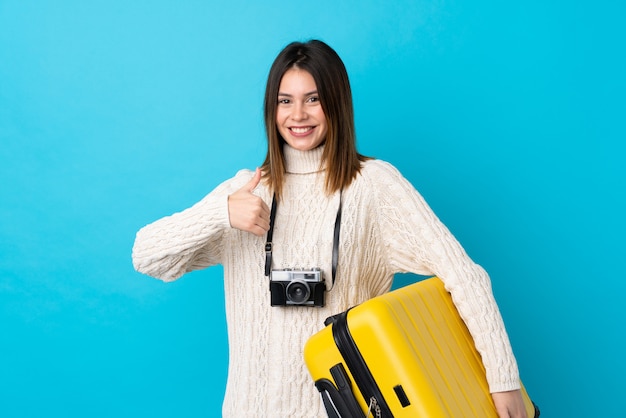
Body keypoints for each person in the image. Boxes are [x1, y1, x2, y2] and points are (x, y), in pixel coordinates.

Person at [132, 39, 528, 417]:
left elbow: (465, 276)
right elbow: (146, 256)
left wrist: (503, 379)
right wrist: (219, 213)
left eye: (313, 99)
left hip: (345, 409)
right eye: (284, 101)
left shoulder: (373, 186)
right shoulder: (245, 192)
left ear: (336, 104)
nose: (297, 115)